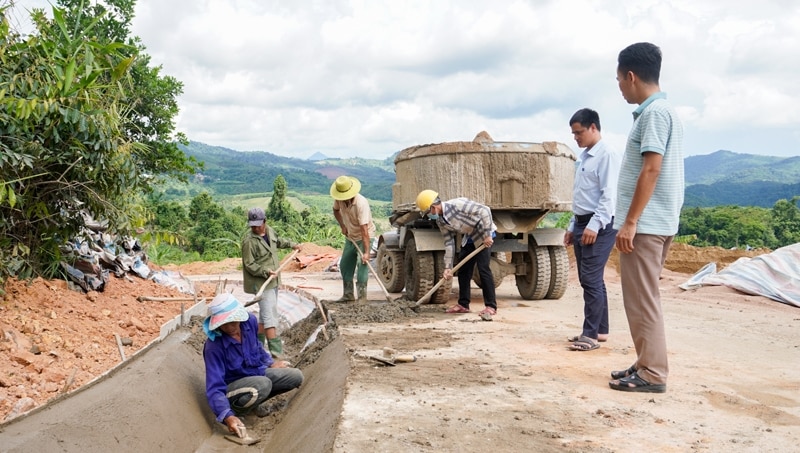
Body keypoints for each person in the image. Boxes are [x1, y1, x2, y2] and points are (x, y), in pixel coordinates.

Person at [609, 42, 684, 393]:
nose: (620, 87)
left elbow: (651, 169)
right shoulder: (664, 111)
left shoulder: (654, 114)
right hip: (658, 220)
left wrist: (630, 221)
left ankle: (652, 373)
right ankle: (644, 362)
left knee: (641, 298)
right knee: (641, 296)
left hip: (646, 224)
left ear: (632, 76)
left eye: (620, 80)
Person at [202, 293, 304, 434]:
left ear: (239, 316)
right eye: (224, 324)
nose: (230, 327)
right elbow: (215, 388)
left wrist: (270, 363)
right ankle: (238, 412)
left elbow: (256, 347)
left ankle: (254, 403)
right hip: (232, 387)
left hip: (256, 373)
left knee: (295, 376)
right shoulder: (213, 347)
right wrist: (228, 416)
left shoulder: (249, 322)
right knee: (262, 384)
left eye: (233, 321)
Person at [564, 108, 622, 352]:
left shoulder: (607, 155)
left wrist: (594, 225)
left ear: (593, 128)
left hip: (599, 224)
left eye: (579, 133)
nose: (576, 138)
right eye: (573, 134)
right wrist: (571, 225)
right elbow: (581, 196)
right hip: (581, 222)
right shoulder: (585, 157)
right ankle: (600, 330)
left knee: (589, 278)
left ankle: (589, 335)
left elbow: (609, 196)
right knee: (592, 278)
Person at [416, 190, 497, 316]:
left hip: (484, 233)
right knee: (463, 269)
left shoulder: (457, 205)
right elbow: (449, 243)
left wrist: (487, 235)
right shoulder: (440, 221)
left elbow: (485, 210)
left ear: (433, 207)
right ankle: (463, 304)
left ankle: (491, 306)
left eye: (427, 212)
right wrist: (448, 267)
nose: (428, 215)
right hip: (470, 236)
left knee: (483, 268)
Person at [241, 207, 301, 357]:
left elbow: (278, 241)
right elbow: (249, 264)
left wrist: (292, 245)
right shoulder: (249, 242)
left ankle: (258, 349)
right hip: (261, 283)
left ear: (265, 222)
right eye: (252, 225)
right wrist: (265, 271)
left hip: (273, 282)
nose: (255, 228)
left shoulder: (270, 231)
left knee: (264, 316)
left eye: (258, 224)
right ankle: (276, 354)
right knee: (270, 317)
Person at [330, 175, 376, 303]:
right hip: (351, 236)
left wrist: (366, 252)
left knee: (362, 265)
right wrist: (342, 225)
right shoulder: (339, 199)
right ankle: (348, 295)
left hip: (365, 236)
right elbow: (335, 211)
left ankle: (362, 298)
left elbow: (364, 230)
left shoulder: (361, 203)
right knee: (345, 264)